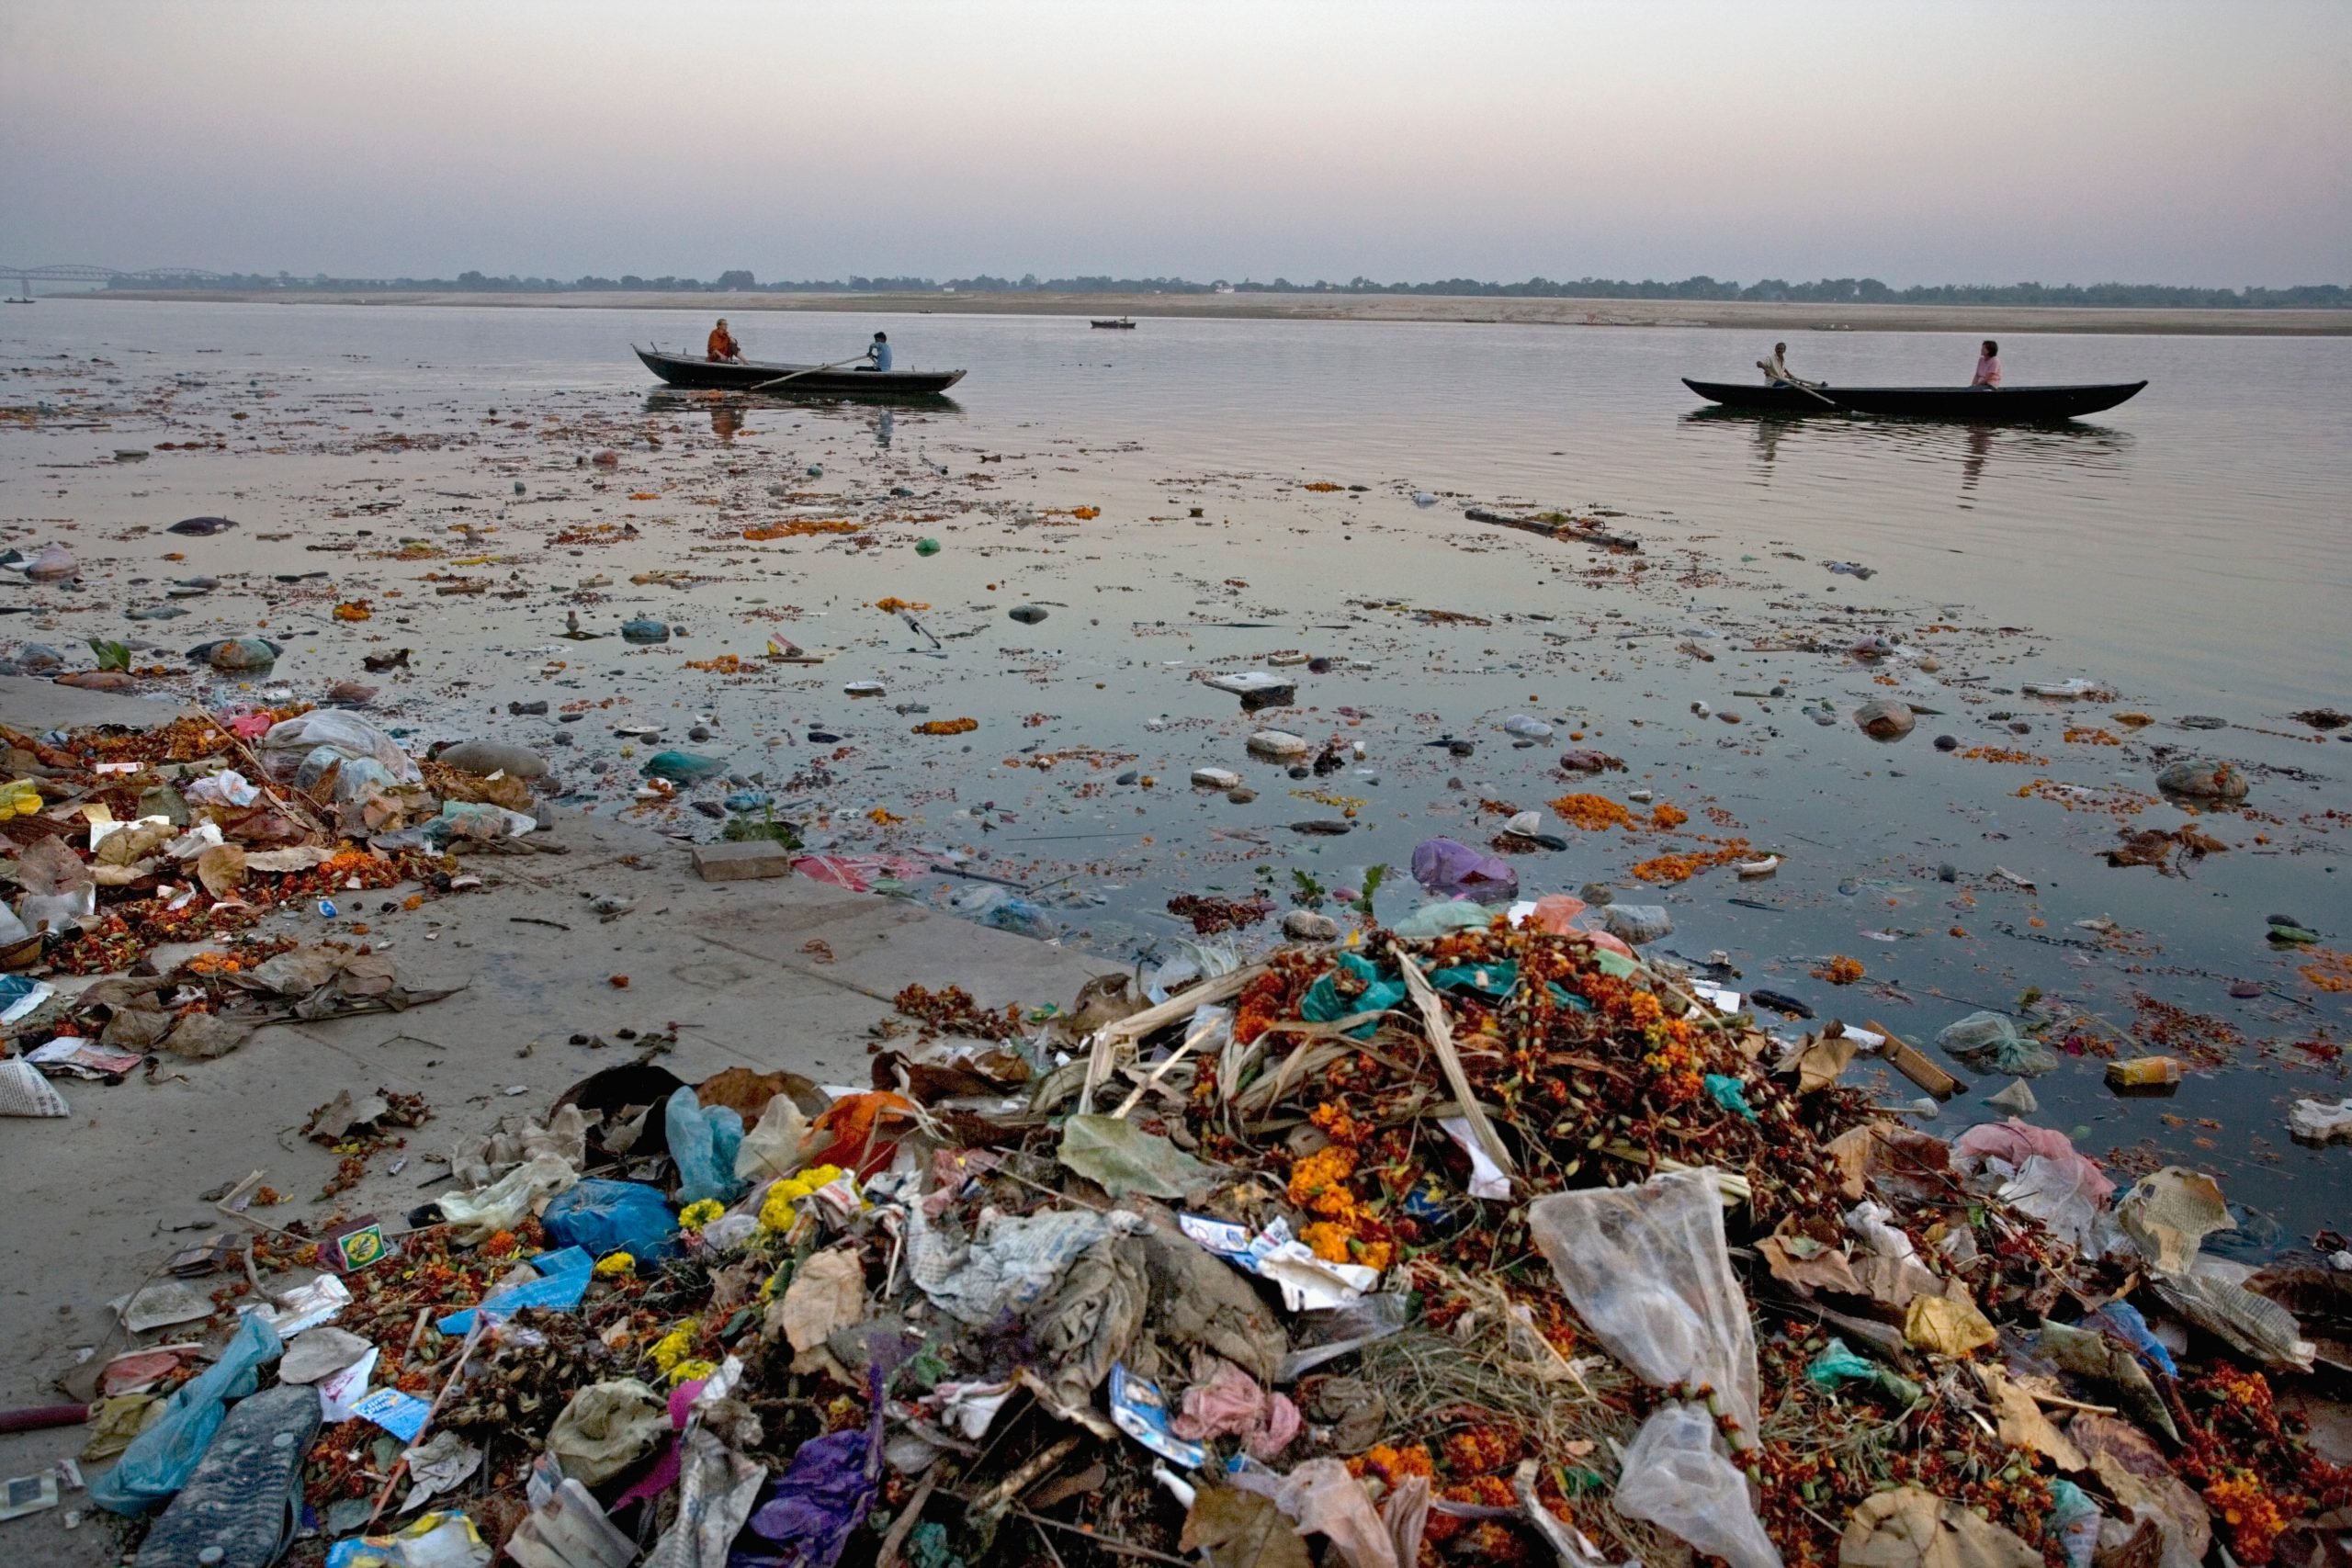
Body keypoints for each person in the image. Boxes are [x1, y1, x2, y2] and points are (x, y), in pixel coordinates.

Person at [1755, 342, 1820, 389]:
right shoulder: (1770, 358)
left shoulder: (1783, 358)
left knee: (1792, 382)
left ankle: (1806, 386)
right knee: (1792, 383)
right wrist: (1766, 369)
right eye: (1778, 349)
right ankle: (1804, 387)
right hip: (1772, 383)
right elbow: (1759, 363)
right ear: (1775, 349)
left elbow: (1782, 367)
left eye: (1781, 349)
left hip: (1781, 381)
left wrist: (1788, 373)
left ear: (1784, 350)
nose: (1779, 350)